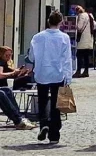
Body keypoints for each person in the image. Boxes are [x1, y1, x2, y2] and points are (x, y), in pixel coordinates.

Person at [26, 12, 73, 144]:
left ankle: (44, 123)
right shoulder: (64, 38)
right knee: (55, 104)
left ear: (48, 21)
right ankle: (54, 134)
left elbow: (31, 57)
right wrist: (68, 77)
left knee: (42, 100)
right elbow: (67, 59)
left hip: (41, 73)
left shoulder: (37, 37)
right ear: (61, 22)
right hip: (57, 74)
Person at [0, 46, 35, 129]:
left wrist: (17, 72)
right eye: (6, 55)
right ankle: (18, 120)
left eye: (10, 55)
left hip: (5, 84)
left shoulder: (5, 62)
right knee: (1, 93)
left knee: (7, 90)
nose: (8, 57)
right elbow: (1, 75)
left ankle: (20, 116)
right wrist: (13, 73)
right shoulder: (1, 62)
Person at [73, 5, 96, 78]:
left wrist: (75, 25)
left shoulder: (81, 16)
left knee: (79, 55)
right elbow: (95, 25)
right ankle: (86, 71)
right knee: (86, 56)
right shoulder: (90, 15)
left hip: (82, 40)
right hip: (89, 39)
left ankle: (78, 71)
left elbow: (79, 27)